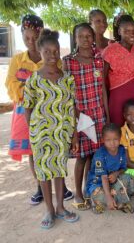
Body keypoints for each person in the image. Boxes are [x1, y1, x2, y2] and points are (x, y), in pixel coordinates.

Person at [5, 15, 73, 205]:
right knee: (34, 151)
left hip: (53, 112)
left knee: (55, 149)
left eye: (34, 38)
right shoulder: (18, 59)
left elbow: (59, 83)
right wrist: (31, 91)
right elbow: (10, 84)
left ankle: (62, 188)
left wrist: (37, 89)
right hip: (27, 113)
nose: (31, 42)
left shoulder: (53, 59)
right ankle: (40, 188)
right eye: (26, 38)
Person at [23, 29, 79, 229]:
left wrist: (73, 135)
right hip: (42, 134)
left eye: (55, 51)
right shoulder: (34, 79)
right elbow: (27, 108)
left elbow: (72, 107)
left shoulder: (67, 78)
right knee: (44, 173)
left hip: (61, 134)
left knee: (58, 171)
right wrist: (33, 134)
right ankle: (49, 210)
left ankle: (61, 208)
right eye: (47, 52)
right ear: (40, 52)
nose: (52, 55)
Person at [63, 23, 109, 210]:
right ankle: (78, 194)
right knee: (81, 156)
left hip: (98, 114)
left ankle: (88, 188)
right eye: (81, 36)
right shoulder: (68, 61)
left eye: (89, 36)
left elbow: (103, 89)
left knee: (94, 155)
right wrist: (74, 118)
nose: (85, 39)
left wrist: (106, 113)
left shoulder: (99, 59)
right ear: (75, 38)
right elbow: (67, 94)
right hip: (80, 115)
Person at [103, 14, 134, 126]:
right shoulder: (109, 51)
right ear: (119, 32)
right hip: (118, 99)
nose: (132, 34)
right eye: (127, 31)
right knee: (118, 132)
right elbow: (102, 82)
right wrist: (106, 111)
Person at [86, 124, 134, 214]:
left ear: (120, 138)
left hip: (113, 181)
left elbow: (123, 168)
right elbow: (104, 178)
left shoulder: (121, 150)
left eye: (115, 139)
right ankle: (111, 201)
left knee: (130, 178)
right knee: (100, 195)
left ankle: (115, 199)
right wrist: (109, 197)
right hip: (98, 184)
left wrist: (117, 173)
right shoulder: (100, 155)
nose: (112, 143)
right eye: (108, 140)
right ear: (103, 140)